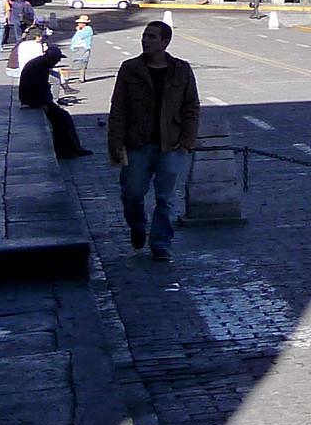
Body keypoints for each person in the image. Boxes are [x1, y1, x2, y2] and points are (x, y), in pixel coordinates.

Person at [107, 20, 201, 262]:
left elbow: (191, 106)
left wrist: (188, 140)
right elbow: (119, 108)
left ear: (165, 42)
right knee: (132, 194)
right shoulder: (130, 69)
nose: (146, 40)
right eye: (145, 36)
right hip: (137, 144)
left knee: (165, 198)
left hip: (171, 145)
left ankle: (160, 243)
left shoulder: (181, 69)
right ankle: (137, 224)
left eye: (152, 37)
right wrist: (115, 144)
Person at [19, 44, 89, 160]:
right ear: (51, 58)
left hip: (34, 98)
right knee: (62, 119)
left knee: (62, 117)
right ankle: (69, 150)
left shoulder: (40, 64)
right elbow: (38, 87)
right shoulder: (39, 66)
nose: (57, 62)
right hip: (33, 100)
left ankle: (71, 149)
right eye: (56, 60)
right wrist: (45, 103)